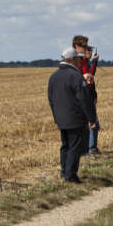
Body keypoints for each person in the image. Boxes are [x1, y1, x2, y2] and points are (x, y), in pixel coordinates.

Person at [46, 47, 96, 183]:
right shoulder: (75, 76)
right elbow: (84, 99)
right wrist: (91, 118)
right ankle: (71, 176)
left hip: (61, 119)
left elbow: (51, 99)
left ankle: (64, 172)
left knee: (65, 146)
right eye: (79, 58)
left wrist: (56, 116)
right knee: (75, 147)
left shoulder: (54, 76)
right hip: (75, 118)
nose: (81, 61)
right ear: (72, 59)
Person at [72, 34, 100, 155]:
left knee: (92, 122)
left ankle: (90, 148)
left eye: (88, 47)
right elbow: (77, 77)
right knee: (90, 123)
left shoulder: (84, 61)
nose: (87, 49)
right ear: (76, 46)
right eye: (85, 46)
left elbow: (91, 75)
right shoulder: (76, 61)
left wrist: (93, 62)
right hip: (82, 95)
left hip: (88, 93)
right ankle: (90, 149)